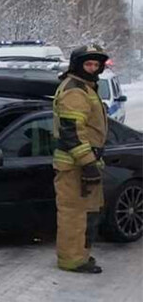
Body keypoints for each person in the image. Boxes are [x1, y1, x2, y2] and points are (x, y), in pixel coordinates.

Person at [52, 45, 110, 274]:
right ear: (78, 65)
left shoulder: (86, 88)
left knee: (87, 212)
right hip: (74, 165)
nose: (93, 68)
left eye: (96, 65)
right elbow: (71, 132)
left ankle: (80, 254)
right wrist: (87, 163)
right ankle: (72, 259)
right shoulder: (75, 90)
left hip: (85, 162)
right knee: (73, 214)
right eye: (88, 64)